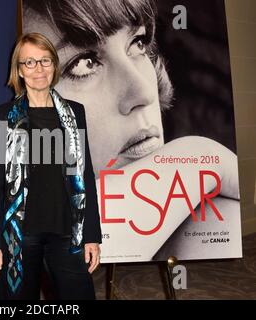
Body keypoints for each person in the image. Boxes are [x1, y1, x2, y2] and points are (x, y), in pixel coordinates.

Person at [23, 0, 240, 294]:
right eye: (83, 63)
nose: (143, 91)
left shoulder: (213, 219)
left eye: (137, 43)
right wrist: (202, 160)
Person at [0, 32, 102, 300]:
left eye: (45, 61)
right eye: (29, 62)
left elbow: (85, 174)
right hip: (18, 237)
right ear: (19, 70)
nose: (39, 69)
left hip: (68, 233)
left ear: (55, 65)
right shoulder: (1, 117)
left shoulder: (75, 113)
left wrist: (92, 234)